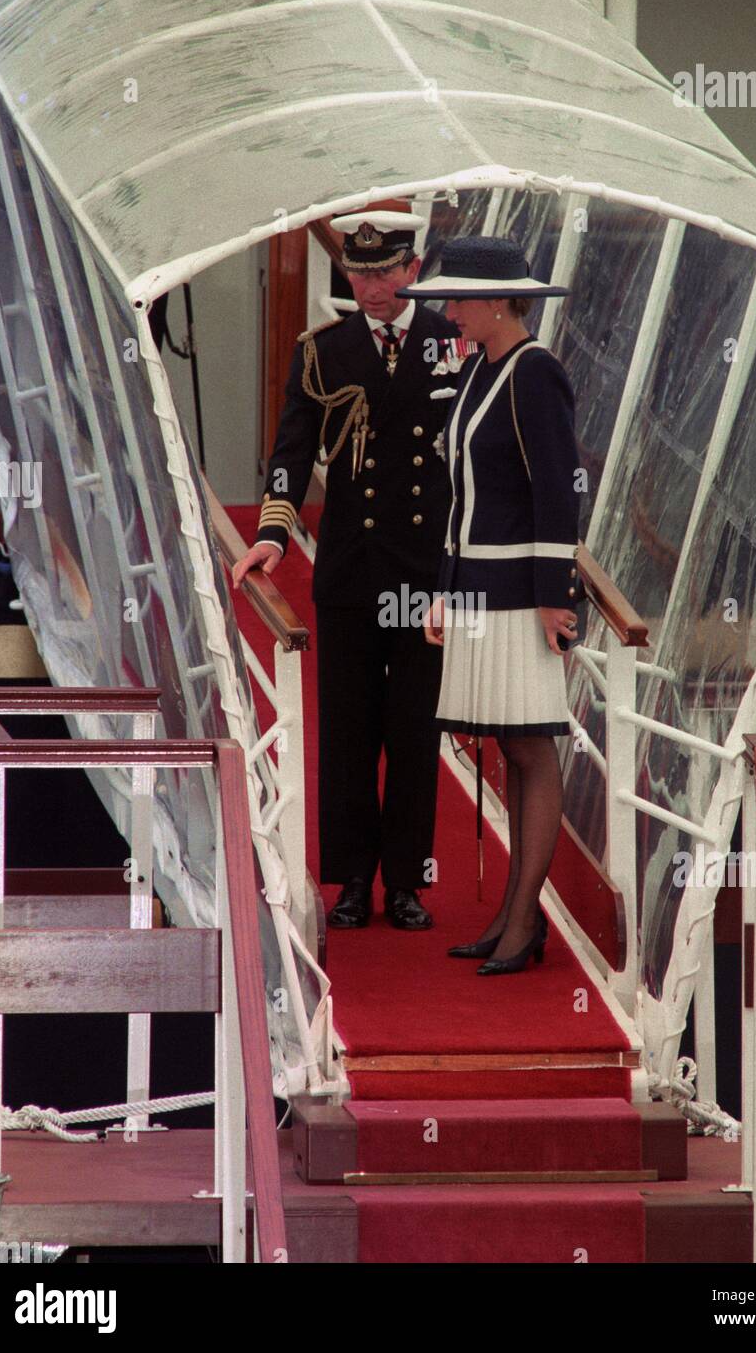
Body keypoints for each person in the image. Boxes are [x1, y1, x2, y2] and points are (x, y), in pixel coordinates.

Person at [233, 211, 463, 930]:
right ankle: (353, 880)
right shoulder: (323, 352)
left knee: (415, 728)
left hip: (425, 574)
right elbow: (291, 451)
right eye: (360, 274)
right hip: (353, 568)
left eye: (386, 271)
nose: (372, 286)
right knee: (349, 730)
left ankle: (407, 882)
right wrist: (274, 532)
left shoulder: (453, 344)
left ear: (413, 269)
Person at [400, 236, 583, 975]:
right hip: (478, 585)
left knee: (531, 747)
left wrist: (552, 598)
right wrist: (445, 590)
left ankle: (523, 923)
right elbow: (460, 500)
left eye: (458, 299)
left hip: (517, 595)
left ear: (500, 302)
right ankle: (514, 915)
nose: (448, 311)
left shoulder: (536, 374)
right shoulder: (483, 368)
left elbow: (556, 488)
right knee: (511, 747)